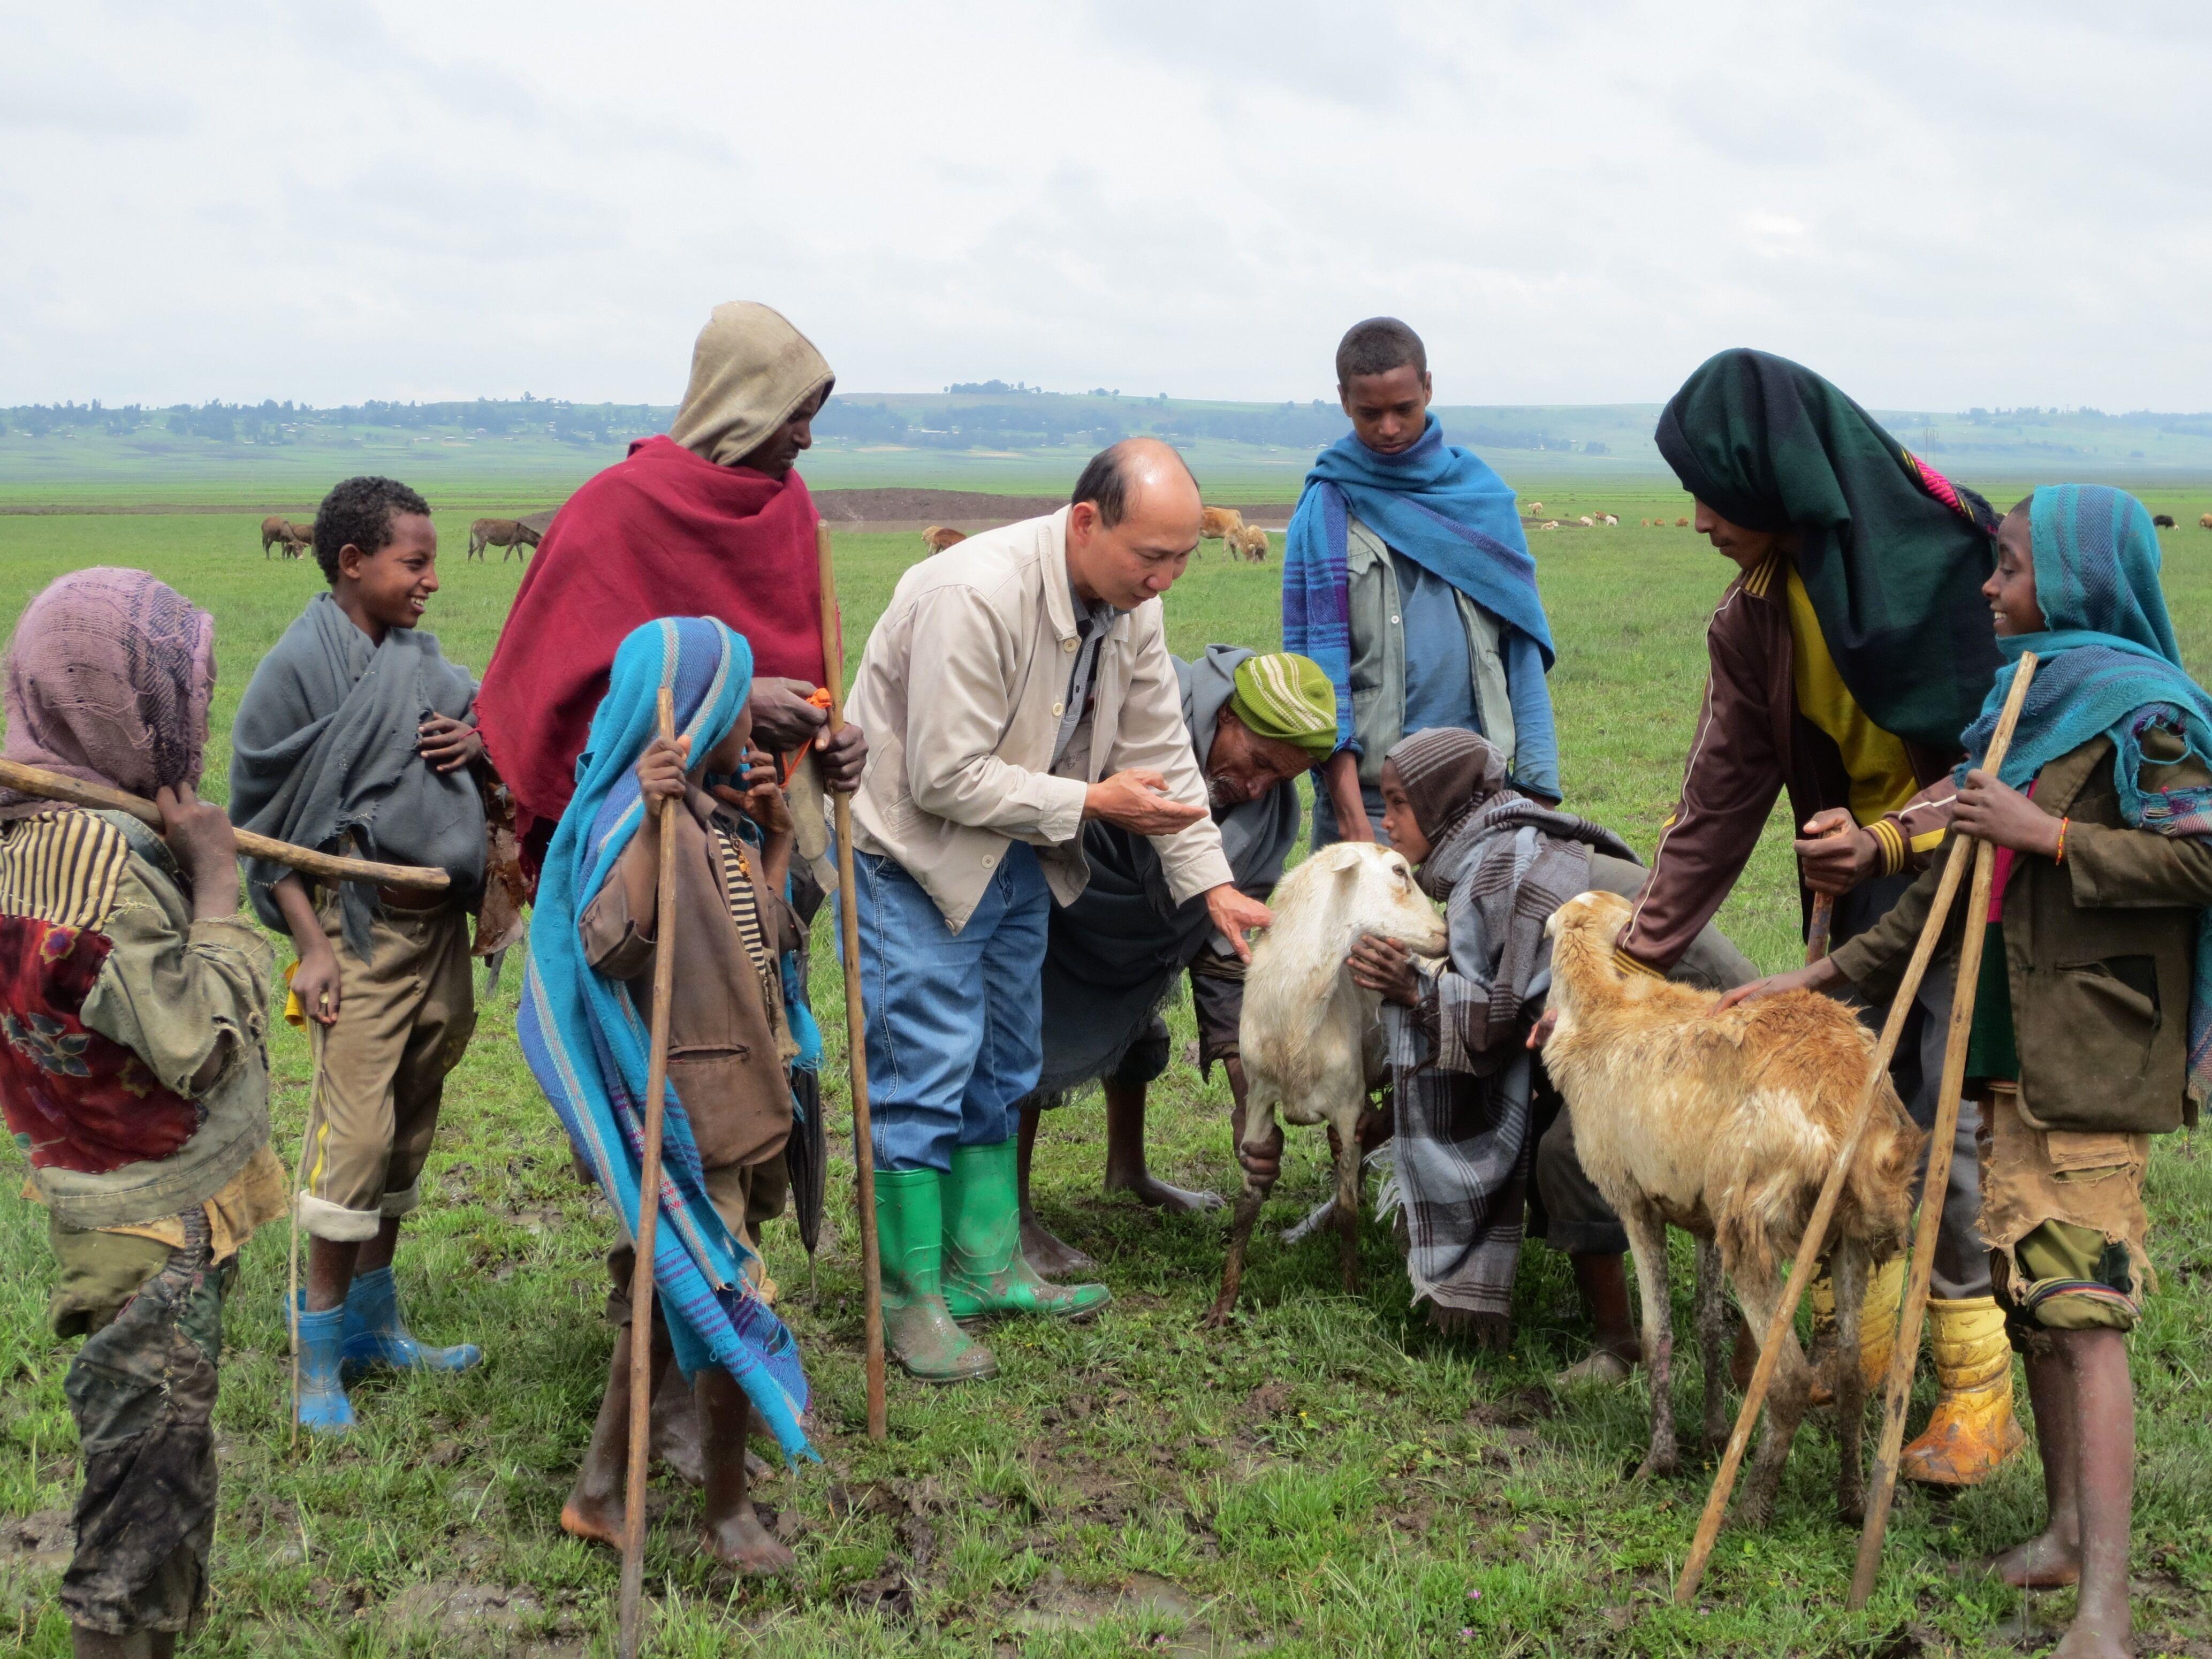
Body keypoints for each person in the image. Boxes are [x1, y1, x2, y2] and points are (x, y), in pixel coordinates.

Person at [1724, 485, 2211, 1659]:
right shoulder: (2020, 698)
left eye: (2002, 567)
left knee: (2082, 1310)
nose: (1986, 589)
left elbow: (2199, 863)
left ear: (2072, 576)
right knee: (2033, 1304)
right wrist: (1816, 977)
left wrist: (2048, 838)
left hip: (2085, 1058)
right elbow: (1948, 903)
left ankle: (2105, 1610)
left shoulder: (2145, 714)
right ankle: (2056, 1532)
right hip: (1999, 1050)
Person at [1574, 348, 2021, 1480]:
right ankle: (1871, 1360)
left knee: (1950, 1114)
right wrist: (1619, 971)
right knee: (1856, 1115)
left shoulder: (1952, 567)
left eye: (1712, 492)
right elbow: (1714, 801)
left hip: (1986, 877)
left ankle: (1973, 1385)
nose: (1695, 522)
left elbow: (2017, 748)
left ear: (1771, 480)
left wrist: (1896, 834)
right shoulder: (1754, 616)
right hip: (1858, 887)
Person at [845, 437, 1272, 1383]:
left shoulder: (1129, 608)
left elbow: (1162, 752)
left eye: (1180, 559)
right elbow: (942, 778)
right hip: (914, 858)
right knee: (921, 1069)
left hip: (1019, 857)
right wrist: (1090, 804)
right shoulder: (973, 594)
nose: (1162, 581)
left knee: (1001, 1061)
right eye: (1147, 558)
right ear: (1086, 523)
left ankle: (986, 1266)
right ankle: (908, 1304)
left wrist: (1214, 887)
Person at [0, 570, 288, 1658]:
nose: (194, 713)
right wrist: (215, 889)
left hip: (134, 1204)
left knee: (164, 1474)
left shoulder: (60, 832)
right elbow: (197, 1042)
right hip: (145, 1232)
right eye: (174, 688)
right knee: (141, 1501)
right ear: (114, 702)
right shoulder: (84, 862)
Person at [519, 616, 816, 1570]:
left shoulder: (712, 822)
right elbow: (610, 944)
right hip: (682, 1117)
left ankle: (598, 1492)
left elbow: (762, 940)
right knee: (722, 1301)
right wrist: (650, 824)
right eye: (737, 710)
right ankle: (725, 1516)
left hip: (736, 1097)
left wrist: (771, 843)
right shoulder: (627, 821)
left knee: (661, 1301)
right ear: (695, 717)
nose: (752, 728)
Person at [1347, 728, 1755, 1344]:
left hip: (1702, 1027)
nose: (1385, 820)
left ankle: (1620, 1343)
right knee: (1542, 1118)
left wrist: (1414, 990)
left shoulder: (1498, 871)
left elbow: (1501, 1025)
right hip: (1631, 1019)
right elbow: (1526, 1012)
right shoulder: (1497, 849)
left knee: (1570, 1152)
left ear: (1444, 803)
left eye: (1401, 802)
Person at [229, 476, 489, 1434]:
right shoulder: (295, 668)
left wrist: (475, 737)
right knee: (357, 1136)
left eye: (432, 561)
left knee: (413, 1115)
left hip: (438, 928)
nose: (431, 580)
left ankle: (379, 1327)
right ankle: (318, 1354)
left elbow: (482, 716)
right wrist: (309, 949)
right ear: (353, 563)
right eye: (413, 562)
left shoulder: (420, 659)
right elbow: (262, 826)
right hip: (351, 926)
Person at [474, 301, 864, 877]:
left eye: (811, 417)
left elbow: (811, 669)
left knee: (769, 963)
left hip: (772, 827)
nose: (806, 439)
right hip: (645, 837)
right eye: (791, 417)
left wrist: (837, 738)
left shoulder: (790, 506)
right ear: (740, 410)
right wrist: (736, 701)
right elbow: (562, 689)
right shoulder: (613, 510)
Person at [1016, 648, 1334, 1277]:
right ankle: (1012, 1217)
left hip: (1144, 942)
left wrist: (1252, 1097)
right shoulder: (1142, 719)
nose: (1255, 788)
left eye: (1280, 779)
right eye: (1259, 763)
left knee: (1139, 1031)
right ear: (1226, 718)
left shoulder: (1266, 816)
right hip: (1055, 895)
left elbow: (1226, 949)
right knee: (1025, 1041)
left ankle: (1127, 1169)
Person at [1284, 316, 1560, 847]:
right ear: (1343, 400)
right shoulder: (1325, 506)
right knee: (1366, 934)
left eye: (1402, 409)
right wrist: (1348, 818)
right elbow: (1320, 676)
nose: (1388, 428)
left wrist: (1540, 790)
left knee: (1496, 931)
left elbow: (1521, 653)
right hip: (1368, 794)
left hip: (1482, 786)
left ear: (1427, 388)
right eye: (1370, 413)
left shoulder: (1482, 500)